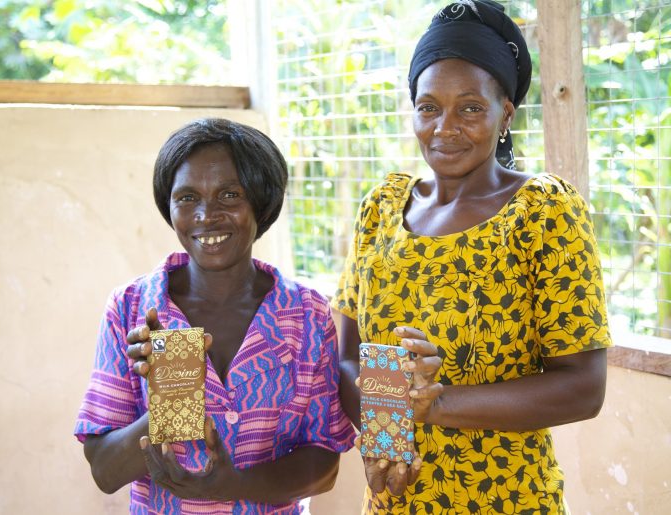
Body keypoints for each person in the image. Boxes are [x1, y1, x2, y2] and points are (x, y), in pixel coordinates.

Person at [331, 1, 612, 513]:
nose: (445, 127)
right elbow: (348, 355)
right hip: (398, 494)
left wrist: (435, 406)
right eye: (429, 107)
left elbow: (583, 388)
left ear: (505, 113)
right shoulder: (381, 210)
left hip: (508, 497)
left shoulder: (542, 211)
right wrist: (389, 438)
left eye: (470, 107)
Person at [74, 118, 355, 514]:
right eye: (187, 198)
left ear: (261, 200)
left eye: (229, 194)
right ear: (168, 206)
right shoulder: (131, 308)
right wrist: (172, 401)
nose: (207, 215)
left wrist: (236, 485)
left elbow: (324, 463)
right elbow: (105, 471)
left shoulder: (305, 314)